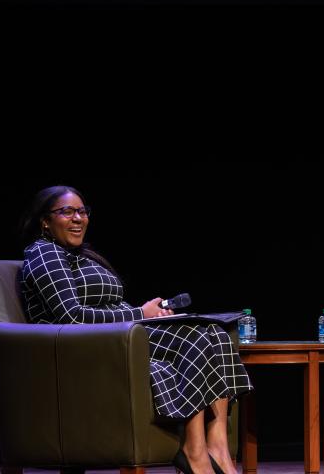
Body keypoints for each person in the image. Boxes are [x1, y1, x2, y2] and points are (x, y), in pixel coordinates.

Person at [19, 186, 252, 474]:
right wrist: (141, 314)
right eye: (67, 211)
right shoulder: (45, 253)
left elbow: (109, 304)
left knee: (213, 331)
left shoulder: (82, 255)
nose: (78, 218)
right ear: (45, 220)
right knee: (196, 337)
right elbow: (72, 316)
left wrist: (151, 314)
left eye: (82, 211)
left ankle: (216, 448)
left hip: (121, 333)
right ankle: (194, 451)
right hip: (87, 347)